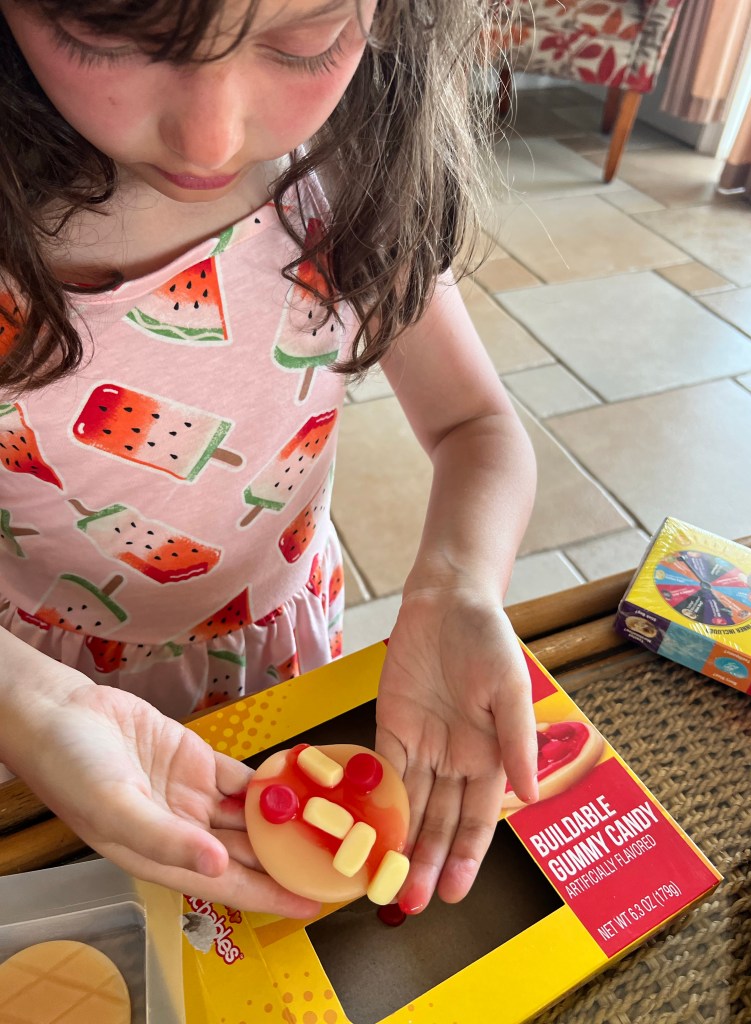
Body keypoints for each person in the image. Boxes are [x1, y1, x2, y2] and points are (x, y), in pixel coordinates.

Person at [0, 0, 538, 920]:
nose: (211, 139)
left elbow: (476, 425)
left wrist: (458, 584)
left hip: (275, 652)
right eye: (108, 37)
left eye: (303, 44)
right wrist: (28, 706)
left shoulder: (350, 185)